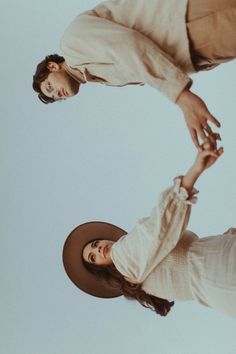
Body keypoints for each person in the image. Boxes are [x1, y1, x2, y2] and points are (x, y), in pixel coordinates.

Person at [63, 140, 236, 318]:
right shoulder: (123, 258)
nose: (98, 249)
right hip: (215, 270)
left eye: (95, 243)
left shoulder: (136, 275)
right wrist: (195, 170)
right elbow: (161, 224)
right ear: (99, 269)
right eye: (93, 257)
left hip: (215, 286)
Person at [33, 0, 236, 148]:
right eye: (54, 98)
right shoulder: (99, 77)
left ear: (52, 67)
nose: (57, 95)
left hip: (187, 24)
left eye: (50, 87)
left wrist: (182, 96)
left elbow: (127, 45)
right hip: (197, 49)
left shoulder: (72, 45)